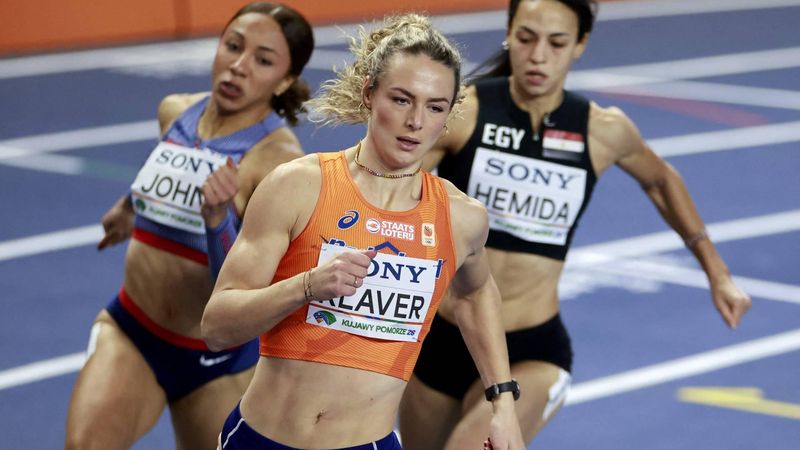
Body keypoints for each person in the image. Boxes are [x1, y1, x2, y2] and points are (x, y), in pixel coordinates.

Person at [398, 0, 753, 448]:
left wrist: (718, 274)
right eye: (526, 38)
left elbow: (662, 181)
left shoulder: (601, 130)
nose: (539, 55)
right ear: (509, 32)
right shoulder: (462, 111)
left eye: (557, 42)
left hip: (531, 349)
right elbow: (392, 180)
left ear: (580, 45)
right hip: (444, 338)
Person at [201, 13, 525, 450]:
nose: (415, 122)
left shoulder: (459, 218)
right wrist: (306, 287)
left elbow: (475, 292)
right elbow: (218, 327)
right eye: (401, 99)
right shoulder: (298, 186)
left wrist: (502, 403)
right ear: (370, 93)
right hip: (260, 439)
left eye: (434, 107)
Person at [64, 3, 314, 449]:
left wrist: (217, 220)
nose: (238, 67)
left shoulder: (278, 163)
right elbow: (167, 169)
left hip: (216, 359)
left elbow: (245, 289)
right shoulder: (175, 110)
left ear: (285, 80)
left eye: (262, 60)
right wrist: (129, 207)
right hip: (134, 331)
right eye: (232, 47)